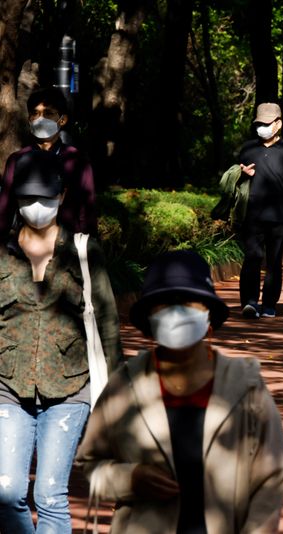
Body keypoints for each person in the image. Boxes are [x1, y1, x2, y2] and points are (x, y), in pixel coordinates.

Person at [76, 250, 283, 533]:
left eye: (189, 301)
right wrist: (129, 479)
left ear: (208, 313)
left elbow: (272, 475)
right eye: (164, 304)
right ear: (149, 318)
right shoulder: (125, 385)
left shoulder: (245, 385)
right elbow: (90, 465)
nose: (176, 312)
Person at [0, 150, 122, 533]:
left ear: (62, 196)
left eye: (45, 198)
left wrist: (119, 393)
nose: (35, 206)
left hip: (70, 388)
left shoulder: (84, 251)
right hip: (8, 385)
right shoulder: (2, 253)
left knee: (50, 494)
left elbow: (107, 322)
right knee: (7, 492)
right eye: (27, 198)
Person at [237, 102, 283, 318]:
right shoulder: (248, 149)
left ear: (278, 124)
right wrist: (242, 173)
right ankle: (249, 302)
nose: (262, 127)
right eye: (259, 123)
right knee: (252, 256)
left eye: (266, 123)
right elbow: (235, 176)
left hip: (279, 215)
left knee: (274, 260)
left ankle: (269, 303)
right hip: (252, 214)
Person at [0, 87, 97, 238]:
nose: (40, 119)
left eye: (48, 113)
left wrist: (86, 246)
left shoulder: (77, 161)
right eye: (35, 113)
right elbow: (5, 209)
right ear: (29, 119)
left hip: (66, 247)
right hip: (26, 245)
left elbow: (87, 209)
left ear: (62, 120)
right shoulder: (17, 160)